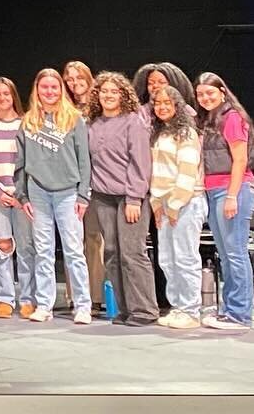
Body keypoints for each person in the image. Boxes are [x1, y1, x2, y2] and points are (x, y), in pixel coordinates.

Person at [16, 67, 93, 324]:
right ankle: (45, 305)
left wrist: (83, 195)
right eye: (44, 87)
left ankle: (82, 305)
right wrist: (23, 196)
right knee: (43, 251)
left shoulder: (74, 119)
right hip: (38, 192)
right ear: (37, 90)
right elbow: (20, 162)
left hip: (68, 193)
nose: (49, 91)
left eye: (54, 87)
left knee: (73, 251)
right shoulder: (28, 121)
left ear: (61, 90)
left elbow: (85, 160)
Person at [86, 71, 157, 327]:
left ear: (123, 94)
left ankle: (145, 310)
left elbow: (140, 162)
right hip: (103, 197)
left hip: (129, 197)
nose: (108, 95)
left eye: (114, 91)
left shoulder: (132, 122)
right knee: (113, 253)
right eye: (104, 91)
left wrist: (134, 198)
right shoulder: (92, 124)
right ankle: (125, 309)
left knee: (132, 252)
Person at [195, 71, 254, 331]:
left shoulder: (231, 117)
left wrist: (232, 195)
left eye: (210, 93)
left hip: (233, 189)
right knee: (225, 253)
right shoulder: (209, 120)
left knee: (235, 252)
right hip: (213, 191)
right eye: (200, 94)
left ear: (222, 91)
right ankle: (229, 309)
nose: (205, 98)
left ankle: (239, 314)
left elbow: (241, 160)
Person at [148, 86, 207, 330]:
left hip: (186, 202)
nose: (161, 107)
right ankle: (178, 307)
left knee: (185, 257)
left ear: (177, 105)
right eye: (157, 103)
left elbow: (187, 172)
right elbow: (156, 173)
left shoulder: (186, 133)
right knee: (167, 259)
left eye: (167, 103)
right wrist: (156, 203)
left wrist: (174, 204)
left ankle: (191, 310)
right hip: (163, 203)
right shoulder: (160, 133)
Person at [0, 76, 35, 319]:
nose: (2, 98)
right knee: (1, 246)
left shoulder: (25, 124)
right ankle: (4, 298)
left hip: (22, 196)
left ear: (13, 95)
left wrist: (21, 193)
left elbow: (31, 162)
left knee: (26, 247)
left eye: (6, 93)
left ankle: (28, 298)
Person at [60, 59, 103, 307]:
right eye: (70, 79)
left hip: (97, 182)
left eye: (79, 78)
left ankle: (96, 296)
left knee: (95, 238)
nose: (75, 83)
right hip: (71, 183)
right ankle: (75, 294)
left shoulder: (99, 109)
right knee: (73, 239)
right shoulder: (64, 110)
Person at [132, 63, 196, 123]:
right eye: (150, 83)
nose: (155, 86)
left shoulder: (187, 111)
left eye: (162, 82)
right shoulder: (141, 113)